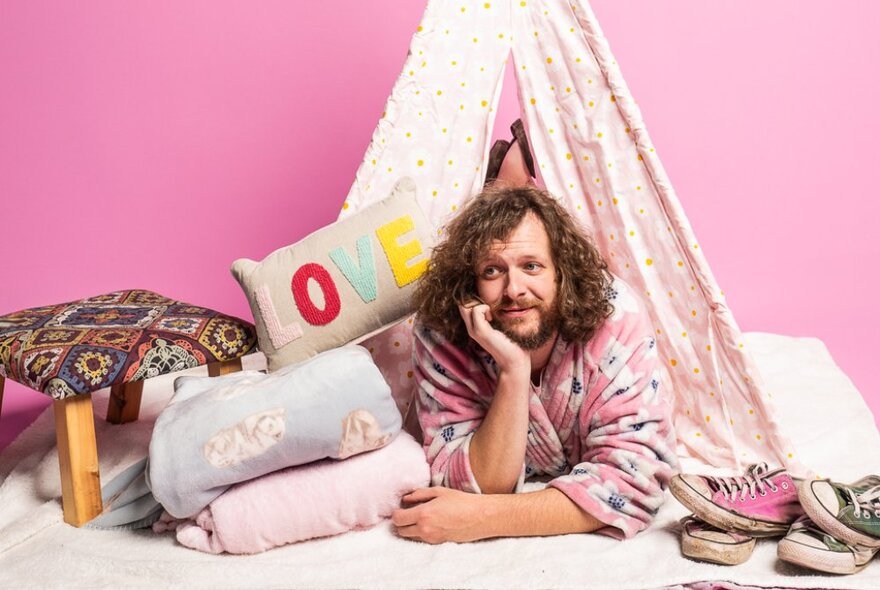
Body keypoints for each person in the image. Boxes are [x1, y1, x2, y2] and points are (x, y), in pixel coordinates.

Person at [391, 184, 679, 544]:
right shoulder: (442, 329)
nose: (514, 289)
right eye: (493, 271)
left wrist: (484, 518)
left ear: (561, 272)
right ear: (469, 284)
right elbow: (464, 481)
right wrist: (513, 370)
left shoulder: (615, 314)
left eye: (532, 266)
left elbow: (637, 481)